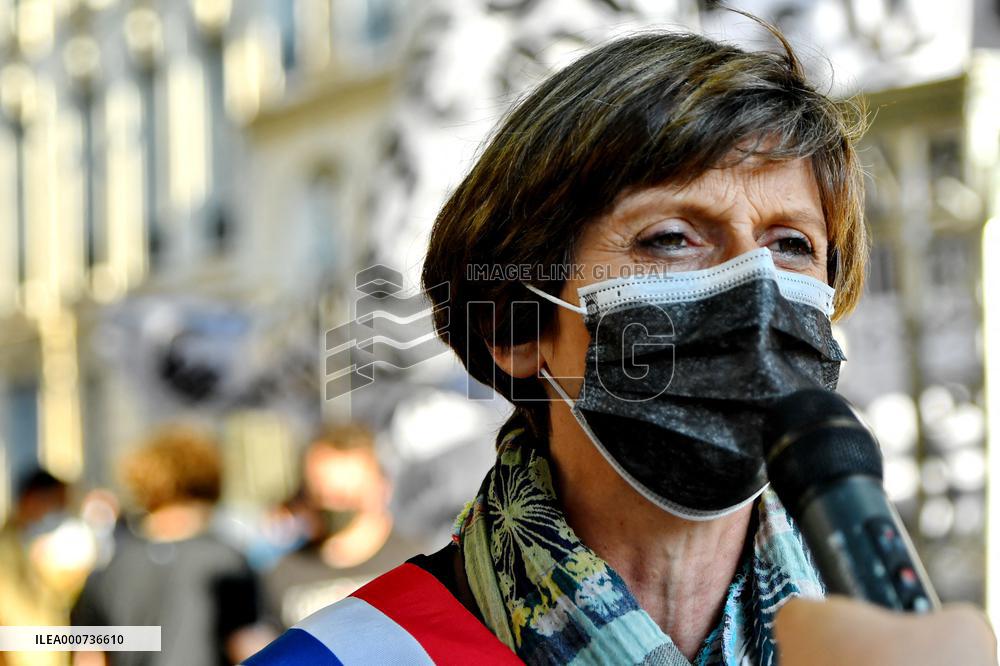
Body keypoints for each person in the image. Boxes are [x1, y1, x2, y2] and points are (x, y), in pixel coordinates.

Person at [246, 21, 996, 666]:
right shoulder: (355, 656)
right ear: (513, 325)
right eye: (671, 239)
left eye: (792, 244)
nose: (756, 288)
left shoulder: (897, 642)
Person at [71, 426, 272, 665]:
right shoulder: (224, 560)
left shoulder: (112, 565)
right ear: (209, 481)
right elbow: (247, 645)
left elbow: (89, 656)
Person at [262, 424, 428, 628]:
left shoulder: (418, 567)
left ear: (383, 489)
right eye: (320, 496)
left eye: (346, 497)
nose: (332, 506)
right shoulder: (282, 574)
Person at [0, 470, 91, 666]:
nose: (60, 512)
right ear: (31, 500)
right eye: (57, 504)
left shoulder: (42, 547)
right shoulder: (6, 550)